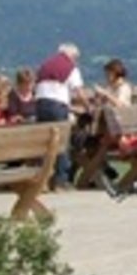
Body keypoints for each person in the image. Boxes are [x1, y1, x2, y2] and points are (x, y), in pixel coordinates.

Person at [34, 44, 84, 187]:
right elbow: (78, 92)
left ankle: (42, 179)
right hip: (57, 107)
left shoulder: (45, 65)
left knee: (45, 143)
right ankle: (60, 179)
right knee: (62, 142)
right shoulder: (70, 68)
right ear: (72, 56)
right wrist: (87, 106)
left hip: (41, 105)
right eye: (76, 58)